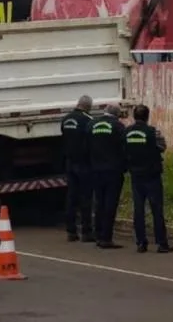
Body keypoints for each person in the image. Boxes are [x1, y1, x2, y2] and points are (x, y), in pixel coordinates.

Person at [125, 104, 173, 253]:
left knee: (138, 210)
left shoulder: (126, 133)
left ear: (134, 116)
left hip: (135, 175)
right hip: (152, 175)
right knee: (157, 210)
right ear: (147, 116)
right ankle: (161, 243)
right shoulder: (153, 132)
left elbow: (123, 149)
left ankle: (141, 243)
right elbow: (162, 147)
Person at [87, 103, 127, 249]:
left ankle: (98, 234)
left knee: (99, 202)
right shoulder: (118, 127)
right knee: (110, 204)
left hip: (95, 170)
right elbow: (124, 148)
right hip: (113, 171)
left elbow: (86, 145)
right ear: (117, 114)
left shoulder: (91, 124)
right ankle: (106, 238)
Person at [61, 95, 95, 242]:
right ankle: (86, 232)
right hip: (84, 164)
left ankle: (71, 231)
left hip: (70, 162)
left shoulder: (66, 119)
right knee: (86, 197)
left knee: (71, 196)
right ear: (88, 106)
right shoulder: (88, 120)